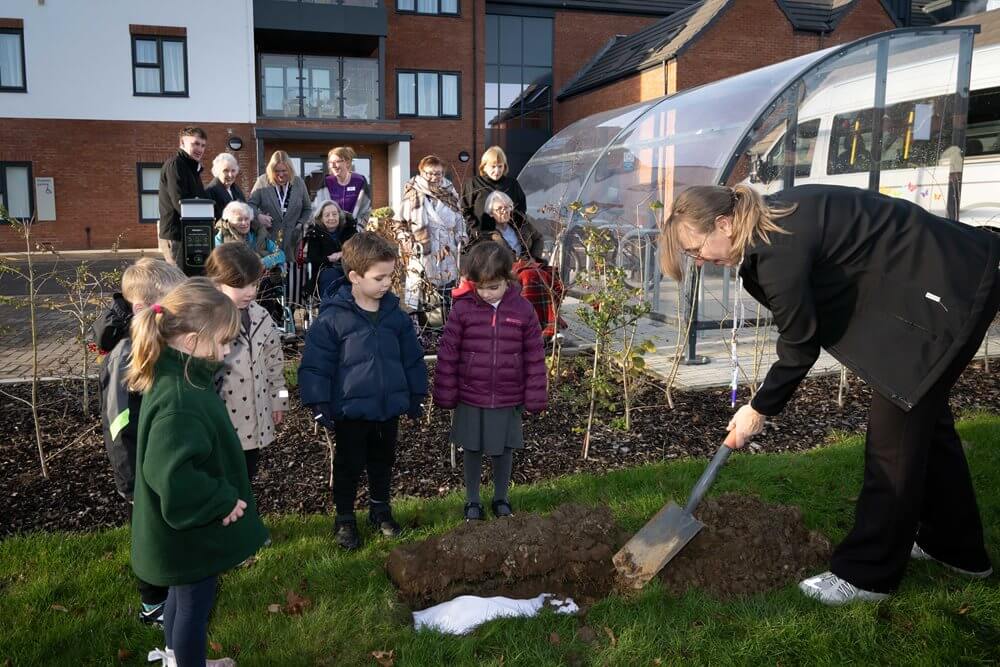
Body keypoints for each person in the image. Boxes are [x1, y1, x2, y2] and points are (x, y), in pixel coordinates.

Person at [659, 183, 1000, 606]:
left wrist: (758, 408)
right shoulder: (775, 220)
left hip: (950, 291)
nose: (700, 260)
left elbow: (800, 344)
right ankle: (957, 548)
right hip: (950, 278)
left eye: (695, 249)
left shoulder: (777, 250)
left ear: (724, 224)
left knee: (892, 447)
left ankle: (868, 576)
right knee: (928, 428)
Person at [128, 278, 267, 667]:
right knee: (194, 604)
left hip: (175, 535)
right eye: (222, 341)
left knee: (181, 595)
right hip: (187, 532)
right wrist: (221, 499)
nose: (226, 351)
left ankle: (175, 658)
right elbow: (172, 477)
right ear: (190, 341)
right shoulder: (179, 398)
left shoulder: (184, 377)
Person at [298, 232, 428, 551]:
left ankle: (380, 510)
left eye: (390, 276)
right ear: (355, 276)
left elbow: (412, 359)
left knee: (382, 461)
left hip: (387, 409)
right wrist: (318, 401)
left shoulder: (396, 317)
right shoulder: (332, 319)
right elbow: (316, 365)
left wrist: (415, 396)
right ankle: (345, 519)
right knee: (349, 465)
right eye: (379, 277)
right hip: (351, 413)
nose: (386, 283)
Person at [95, 258, 185, 627]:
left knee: (170, 532)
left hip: (165, 465)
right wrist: (131, 483)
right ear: (142, 308)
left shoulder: (156, 341)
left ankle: (174, 587)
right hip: (141, 474)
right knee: (150, 537)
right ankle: (153, 602)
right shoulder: (125, 357)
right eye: (173, 306)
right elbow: (118, 425)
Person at [432, 241, 547, 521]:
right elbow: (448, 352)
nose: (485, 293)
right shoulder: (463, 310)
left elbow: (534, 354)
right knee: (471, 448)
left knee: (502, 449)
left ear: (508, 279)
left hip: (508, 395)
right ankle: (472, 500)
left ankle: (500, 498)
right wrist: (445, 392)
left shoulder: (522, 311)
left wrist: (534, 394)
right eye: (480, 287)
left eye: (493, 287)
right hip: (471, 395)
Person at [205, 243, 289, 484]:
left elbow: (276, 364)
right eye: (240, 286)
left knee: (246, 477)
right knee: (223, 480)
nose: (250, 292)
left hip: (256, 421)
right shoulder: (209, 321)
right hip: (222, 424)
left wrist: (279, 400)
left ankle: (244, 517)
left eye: (253, 284)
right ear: (217, 283)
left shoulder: (261, 316)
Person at [483, 190, 565, 340]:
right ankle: (534, 327)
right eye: (500, 209)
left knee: (550, 277)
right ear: (490, 213)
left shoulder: (520, 223)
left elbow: (538, 238)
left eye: (507, 207)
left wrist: (533, 257)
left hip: (528, 263)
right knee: (530, 277)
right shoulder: (488, 232)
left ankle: (551, 326)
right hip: (505, 269)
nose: (505, 211)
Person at [394, 155, 467, 319]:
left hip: (447, 252)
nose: (434, 177)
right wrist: (407, 241)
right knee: (424, 298)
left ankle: (445, 335)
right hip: (422, 253)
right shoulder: (413, 194)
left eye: (438, 173)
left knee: (447, 297)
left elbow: (460, 220)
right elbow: (398, 223)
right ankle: (426, 336)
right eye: (429, 173)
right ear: (421, 172)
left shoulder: (451, 194)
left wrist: (461, 235)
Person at [249, 151, 312, 328]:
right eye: (277, 171)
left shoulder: (299, 183)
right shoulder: (262, 181)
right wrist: (259, 216)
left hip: (292, 241)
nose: (281, 175)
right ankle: (270, 320)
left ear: (290, 170)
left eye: (284, 171)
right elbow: (250, 205)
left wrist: (300, 224)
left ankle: (288, 319)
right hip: (268, 241)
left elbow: (307, 209)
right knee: (271, 279)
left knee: (291, 280)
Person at [215, 200, 285, 325]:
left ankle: (267, 323)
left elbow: (280, 254)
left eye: (247, 219)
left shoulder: (258, 235)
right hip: (235, 280)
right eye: (239, 219)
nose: (244, 223)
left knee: (266, 283)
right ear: (229, 221)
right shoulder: (220, 238)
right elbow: (221, 263)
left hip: (260, 279)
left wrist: (263, 261)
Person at [158, 127, 208, 266]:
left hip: (189, 233)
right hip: (177, 235)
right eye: (195, 144)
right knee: (179, 282)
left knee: (190, 280)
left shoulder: (193, 168)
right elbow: (181, 202)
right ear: (182, 143)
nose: (200, 149)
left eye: (203, 145)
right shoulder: (176, 165)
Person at [460, 145, 527, 242]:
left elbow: (521, 208)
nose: (497, 170)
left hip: (507, 237)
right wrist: (474, 229)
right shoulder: (473, 184)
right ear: (484, 166)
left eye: (500, 166)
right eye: (493, 166)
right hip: (479, 237)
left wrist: (514, 226)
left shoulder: (512, 184)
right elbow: (464, 210)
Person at [303, 200, 357, 301]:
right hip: (326, 269)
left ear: (339, 215)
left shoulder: (349, 229)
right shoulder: (315, 234)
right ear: (321, 218)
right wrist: (329, 258)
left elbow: (359, 248)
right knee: (331, 276)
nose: (331, 218)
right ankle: (331, 308)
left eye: (334, 214)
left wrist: (342, 254)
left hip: (349, 267)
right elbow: (313, 258)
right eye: (327, 215)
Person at [313, 146, 372, 228]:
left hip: (353, 231)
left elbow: (366, 210)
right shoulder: (326, 182)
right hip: (330, 231)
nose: (333, 165)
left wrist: (360, 228)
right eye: (330, 162)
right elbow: (317, 208)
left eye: (337, 161)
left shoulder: (359, 181)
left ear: (347, 162)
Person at [204, 153, 249, 223]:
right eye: (226, 171)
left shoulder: (236, 190)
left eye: (233, 171)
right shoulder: (209, 192)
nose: (230, 175)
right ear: (217, 172)